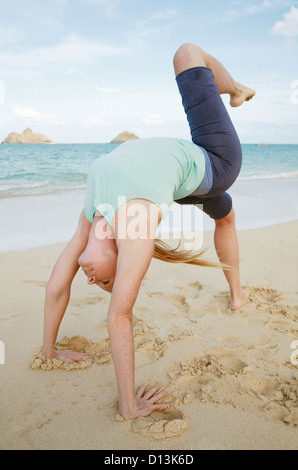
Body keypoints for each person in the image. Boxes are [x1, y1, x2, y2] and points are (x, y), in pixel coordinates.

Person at [42, 43, 255, 419]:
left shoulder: (93, 214)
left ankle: (236, 89)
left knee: (187, 52)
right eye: (107, 282)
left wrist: (50, 352)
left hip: (201, 171)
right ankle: (237, 297)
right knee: (187, 53)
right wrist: (127, 402)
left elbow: (58, 286)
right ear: (121, 250)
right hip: (206, 169)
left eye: (104, 283)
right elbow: (119, 314)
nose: (94, 282)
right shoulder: (133, 225)